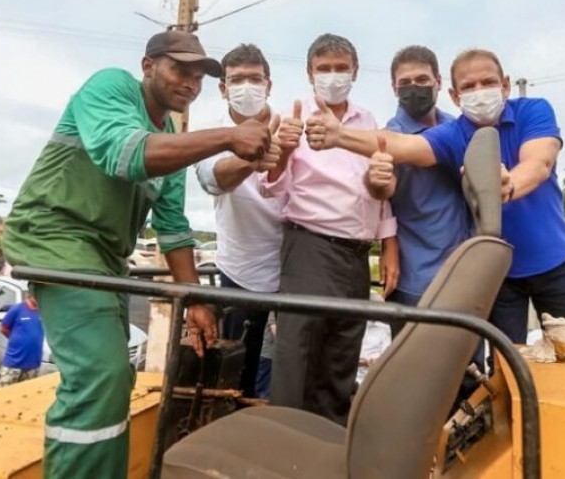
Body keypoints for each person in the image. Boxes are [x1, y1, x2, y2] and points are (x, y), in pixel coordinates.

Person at [3, 30, 273, 479]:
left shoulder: (172, 138)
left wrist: (197, 301)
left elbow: (173, 229)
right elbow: (125, 156)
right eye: (178, 69)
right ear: (148, 66)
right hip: (55, 238)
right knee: (99, 376)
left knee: (116, 376)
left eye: (198, 76)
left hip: (105, 256)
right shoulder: (110, 87)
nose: (189, 83)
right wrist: (229, 136)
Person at [304, 48, 565, 345]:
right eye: (468, 86)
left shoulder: (534, 110)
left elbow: (539, 162)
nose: (479, 92)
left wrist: (506, 185)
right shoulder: (454, 134)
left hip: (556, 263)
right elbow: (402, 146)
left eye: (488, 83)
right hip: (498, 274)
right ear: (454, 94)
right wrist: (339, 136)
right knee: (506, 365)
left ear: (505, 85)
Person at [263, 33, 399, 425]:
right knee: (298, 357)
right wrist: (285, 149)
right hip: (311, 247)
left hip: (357, 255)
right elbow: (272, 186)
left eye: (341, 68)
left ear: (355, 71)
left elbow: (379, 187)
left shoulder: (368, 120)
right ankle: (287, 449)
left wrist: (389, 245)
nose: (333, 76)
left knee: (342, 356)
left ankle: (328, 448)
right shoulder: (295, 118)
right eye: (324, 69)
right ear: (310, 74)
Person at [195, 43, 285, 398]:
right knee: (234, 377)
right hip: (238, 275)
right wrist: (251, 159)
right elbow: (211, 179)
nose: (246, 86)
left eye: (254, 78)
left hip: (288, 279)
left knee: (278, 379)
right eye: (236, 79)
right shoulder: (212, 134)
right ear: (222, 88)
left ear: (269, 84)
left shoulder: (291, 128)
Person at [367, 45, 471, 336]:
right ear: (394, 88)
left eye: (422, 80)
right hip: (417, 278)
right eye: (405, 83)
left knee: (469, 371)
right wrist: (378, 180)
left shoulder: (459, 127)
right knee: (416, 372)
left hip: (465, 273)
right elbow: (384, 191)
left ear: (438, 81)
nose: (415, 88)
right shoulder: (389, 136)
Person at [0, 293, 45, 388]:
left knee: (26, 395)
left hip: (33, 363)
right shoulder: (17, 309)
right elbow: (4, 328)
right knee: (3, 393)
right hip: (14, 362)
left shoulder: (44, 312)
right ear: (30, 294)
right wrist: (17, 339)